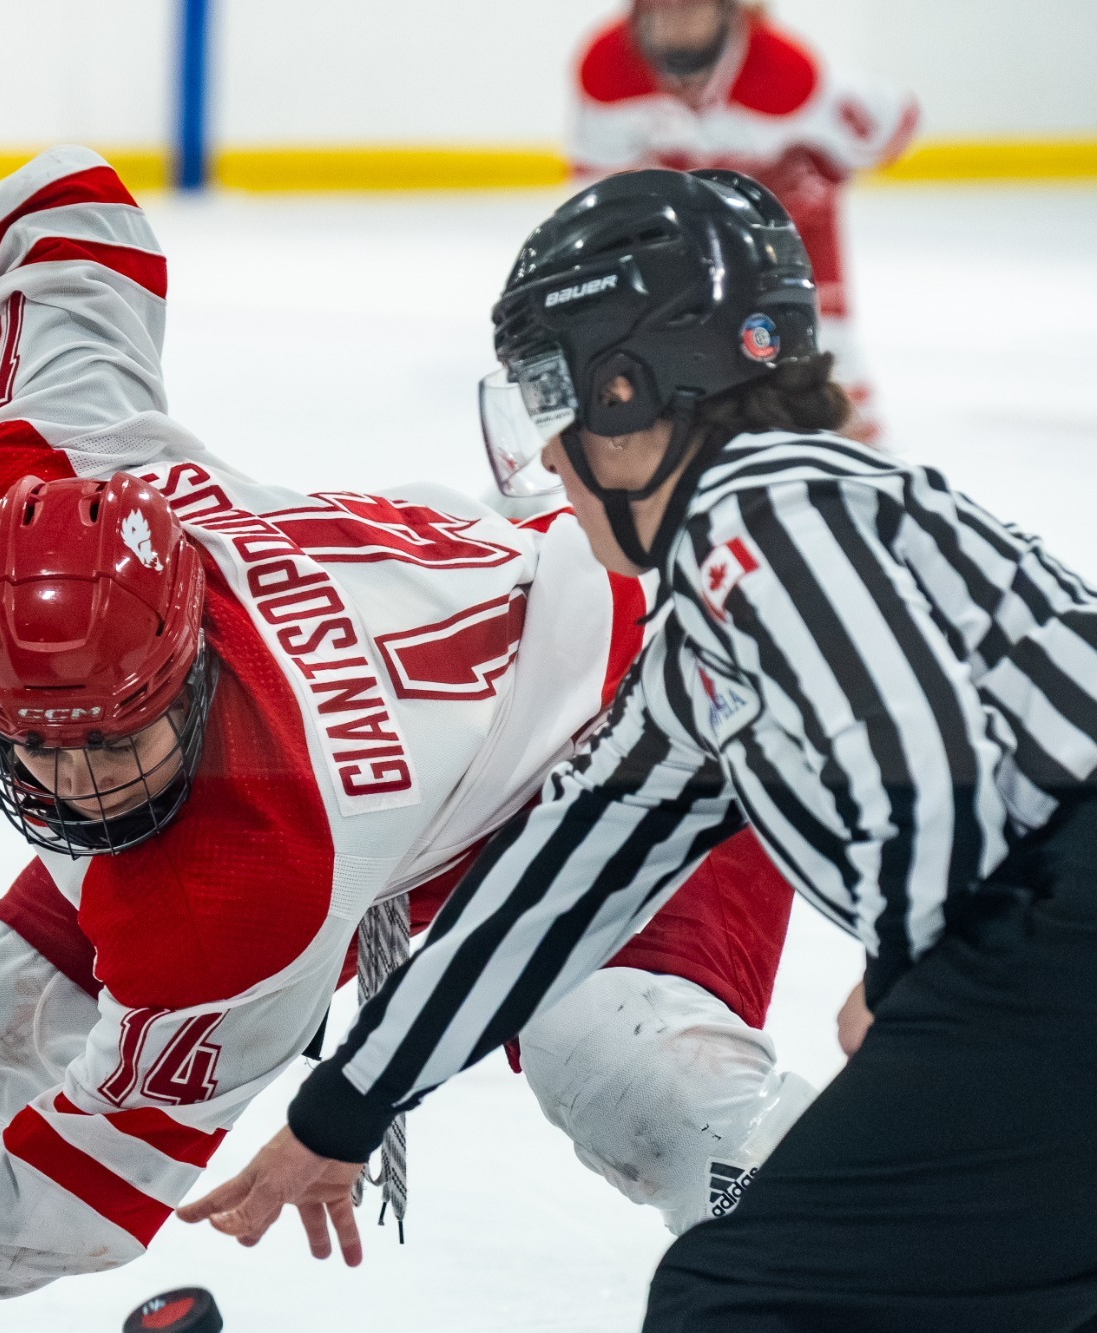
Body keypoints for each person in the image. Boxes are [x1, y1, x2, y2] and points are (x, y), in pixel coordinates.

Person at [0, 146, 816, 1329]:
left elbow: (76, 1198)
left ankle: (862, 1238)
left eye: (109, 742)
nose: (77, 786)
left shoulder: (247, 881)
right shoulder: (19, 493)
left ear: (185, 665)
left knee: (626, 1075)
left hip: (649, 705)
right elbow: (69, 207)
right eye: (34, 747)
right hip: (426, 709)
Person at [185, 164, 1097, 1329]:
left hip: (1040, 933)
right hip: (1033, 941)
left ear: (626, 389)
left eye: (547, 396)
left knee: (743, 1297)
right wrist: (343, 1111)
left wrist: (910, 962)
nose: (548, 460)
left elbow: (909, 736)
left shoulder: (769, 505)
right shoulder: (708, 634)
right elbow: (556, 885)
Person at [571, 0, 916, 440]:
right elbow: (599, 185)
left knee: (825, 367)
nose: (673, 21)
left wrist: (813, 178)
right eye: (660, 8)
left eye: (689, 8)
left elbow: (893, 124)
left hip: (790, 228)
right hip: (693, 233)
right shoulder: (606, 65)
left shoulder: (786, 72)